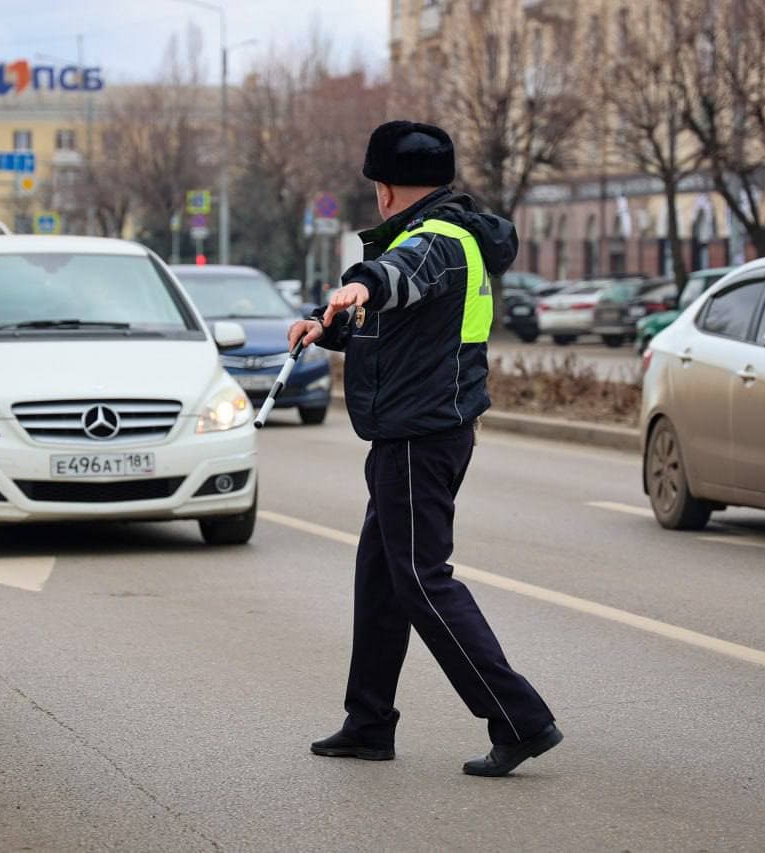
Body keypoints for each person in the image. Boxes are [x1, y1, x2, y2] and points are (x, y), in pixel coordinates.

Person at [289, 120, 562, 777]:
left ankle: (520, 718)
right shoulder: (442, 234)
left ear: (386, 190)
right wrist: (326, 330)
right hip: (417, 429)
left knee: (420, 578)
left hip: (421, 434)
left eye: (377, 187)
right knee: (383, 577)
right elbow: (403, 325)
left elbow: (397, 278)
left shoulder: (436, 240)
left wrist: (364, 284)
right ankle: (368, 722)